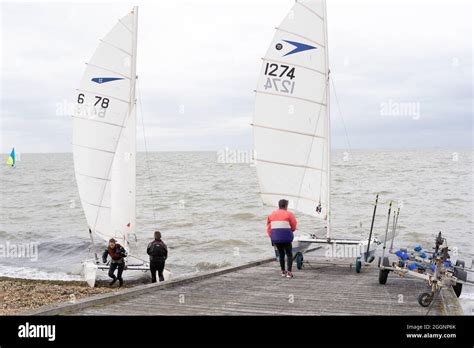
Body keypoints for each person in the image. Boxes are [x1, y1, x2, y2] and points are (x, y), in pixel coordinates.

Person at [267, 199, 297, 278]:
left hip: (276, 238)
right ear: (286, 206)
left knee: (281, 254)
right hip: (286, 238)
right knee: (289, 254)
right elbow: (293, 226)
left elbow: (269, 228)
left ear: (279, 205)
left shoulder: (271, 214)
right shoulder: (289, 214)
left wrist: (272, 236)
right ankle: (289, 272)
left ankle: (283, 271)